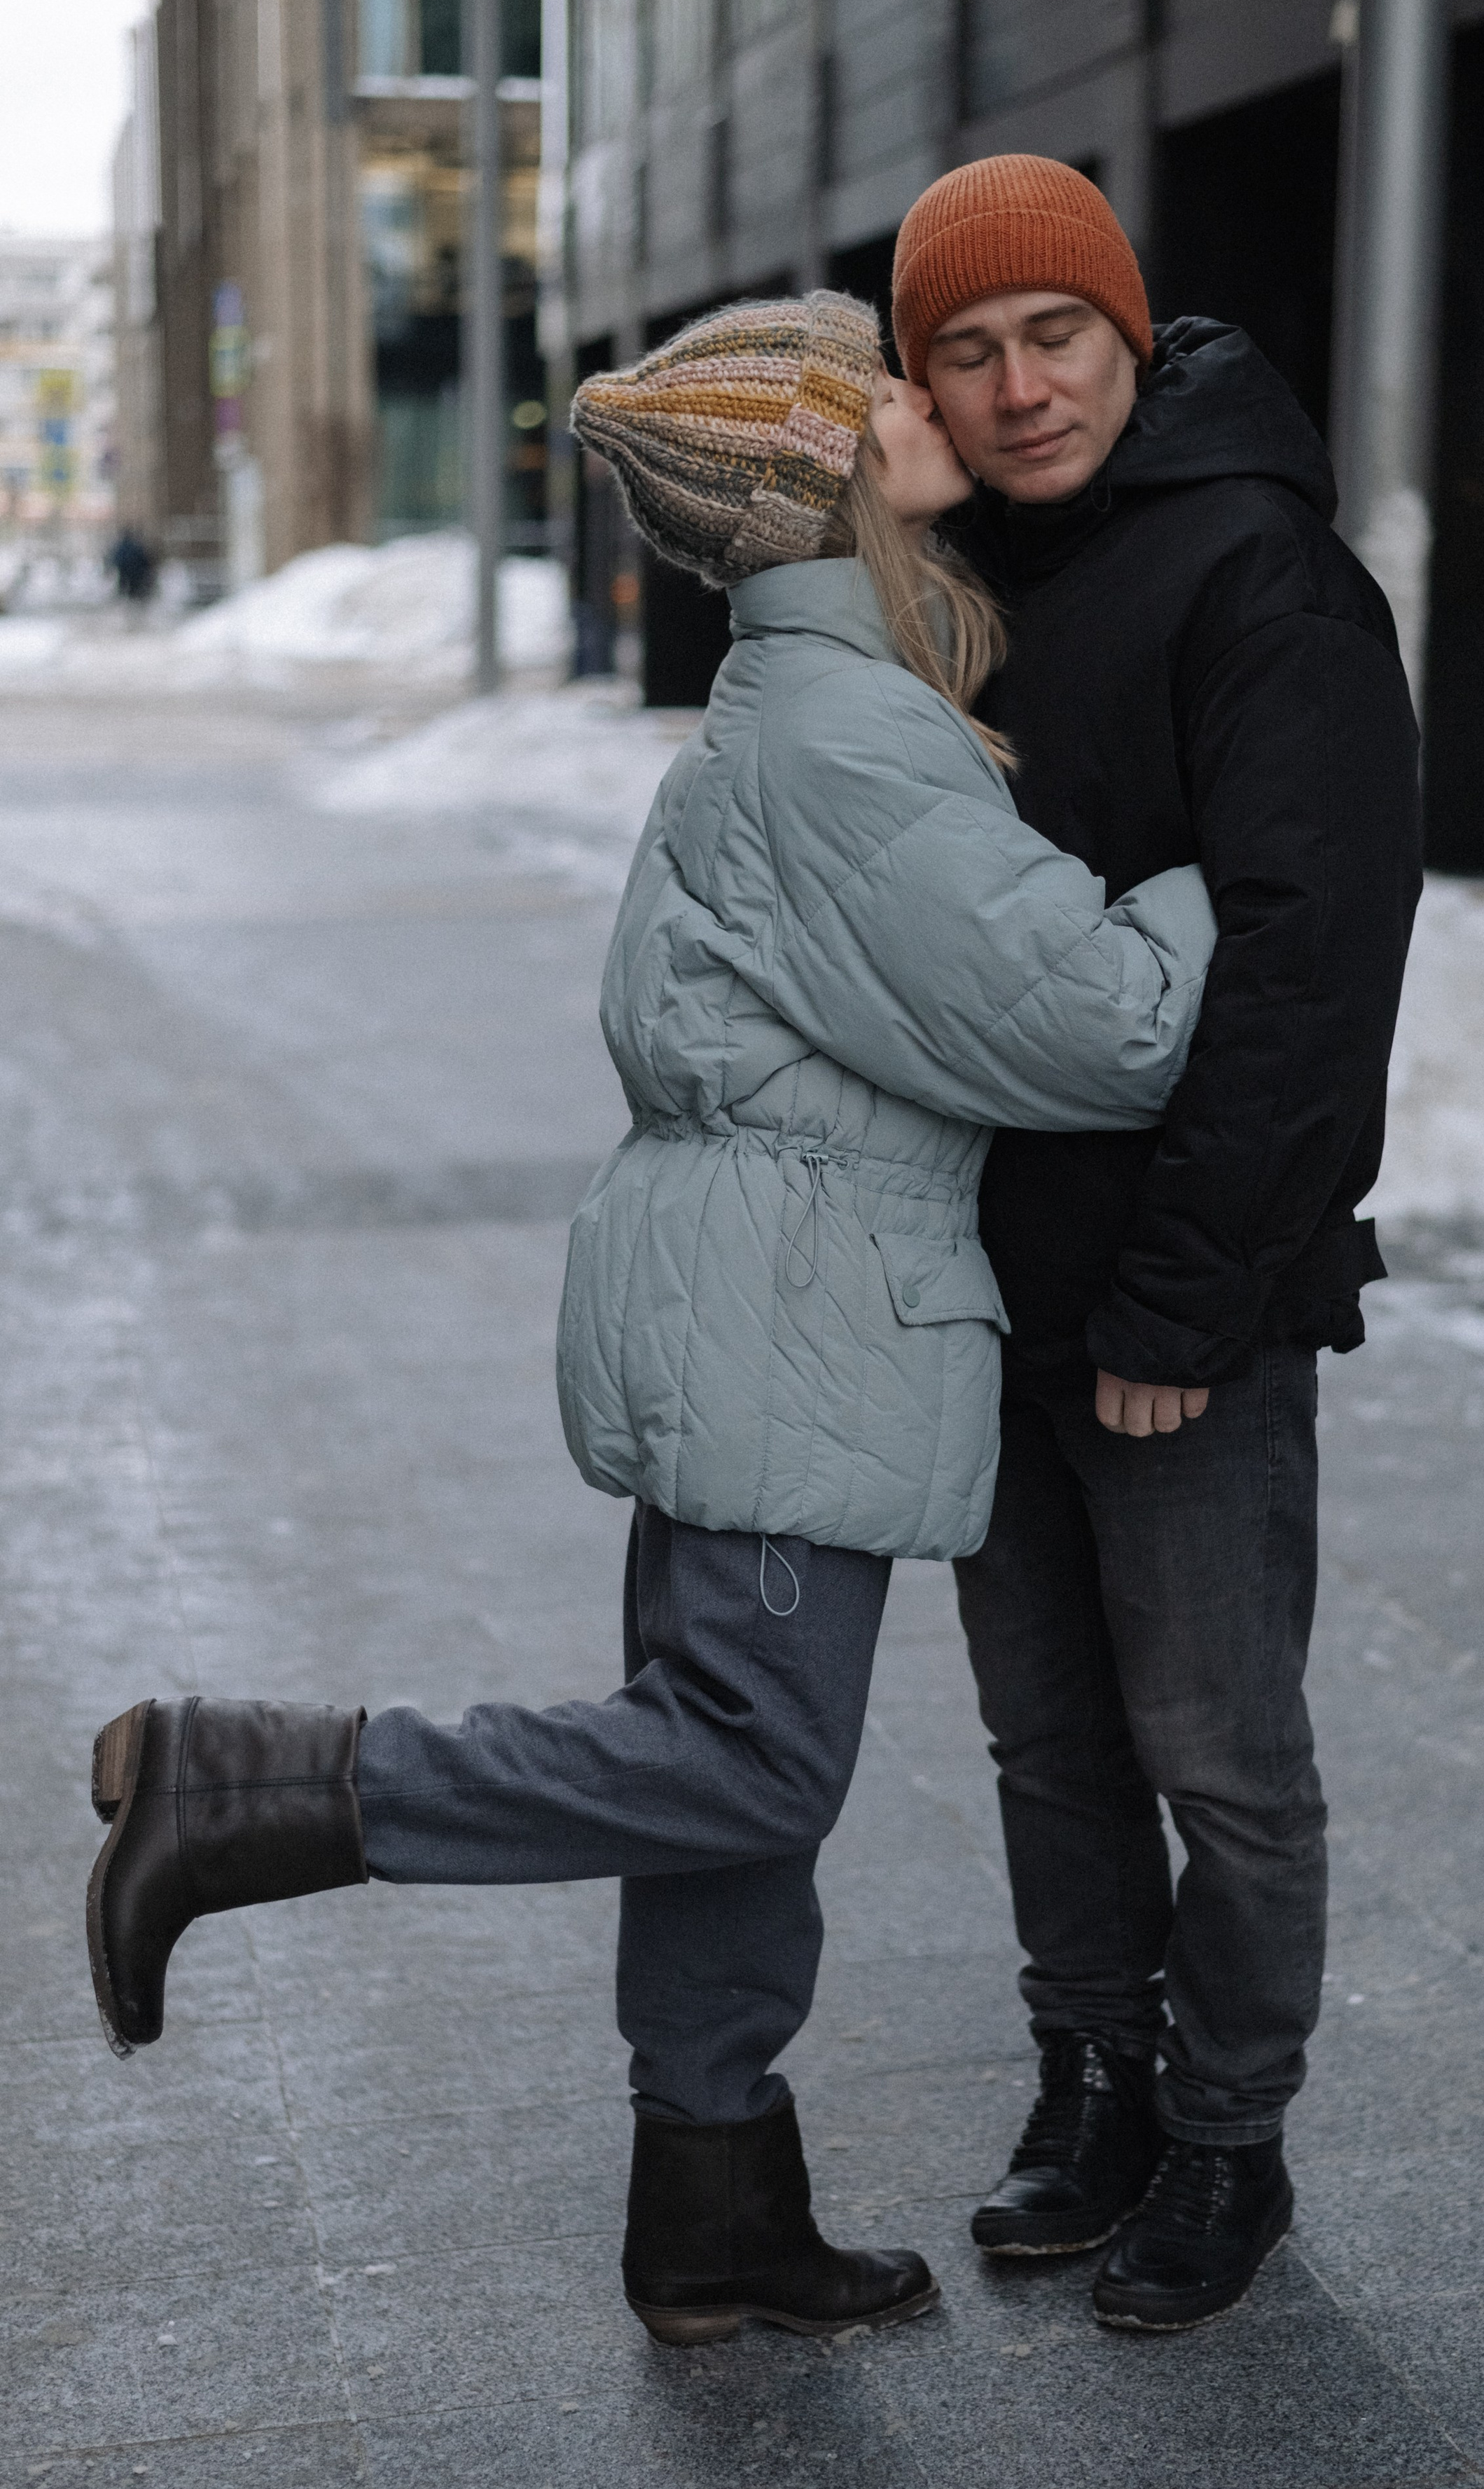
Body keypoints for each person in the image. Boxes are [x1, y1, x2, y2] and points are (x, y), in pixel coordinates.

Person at [83, 291, 1217, 2350]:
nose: (922, 396)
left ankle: (710, 2214)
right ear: (814, 474)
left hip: (752, 1298)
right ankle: (248, 1781)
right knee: (751, 1762)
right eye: (877, 382)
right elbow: (1102, 1027)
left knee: (724, 1775)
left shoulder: (811, 707)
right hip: (798, 1310)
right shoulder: (849, 735)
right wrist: (1221, 869)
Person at [888, 156, 1424, 2331]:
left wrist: (1187, 1298)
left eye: (1059, 338)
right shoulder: (939, 580)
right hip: (987, 1278)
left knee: (1217, 1742)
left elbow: (1312, 966)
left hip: (1186, 1299)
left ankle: (1228, 2134)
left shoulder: (1262, 571)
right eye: (969, 350)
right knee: (1046, 1736)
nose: (1022, 390)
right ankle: (1091, 2077)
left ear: (1130, 332)